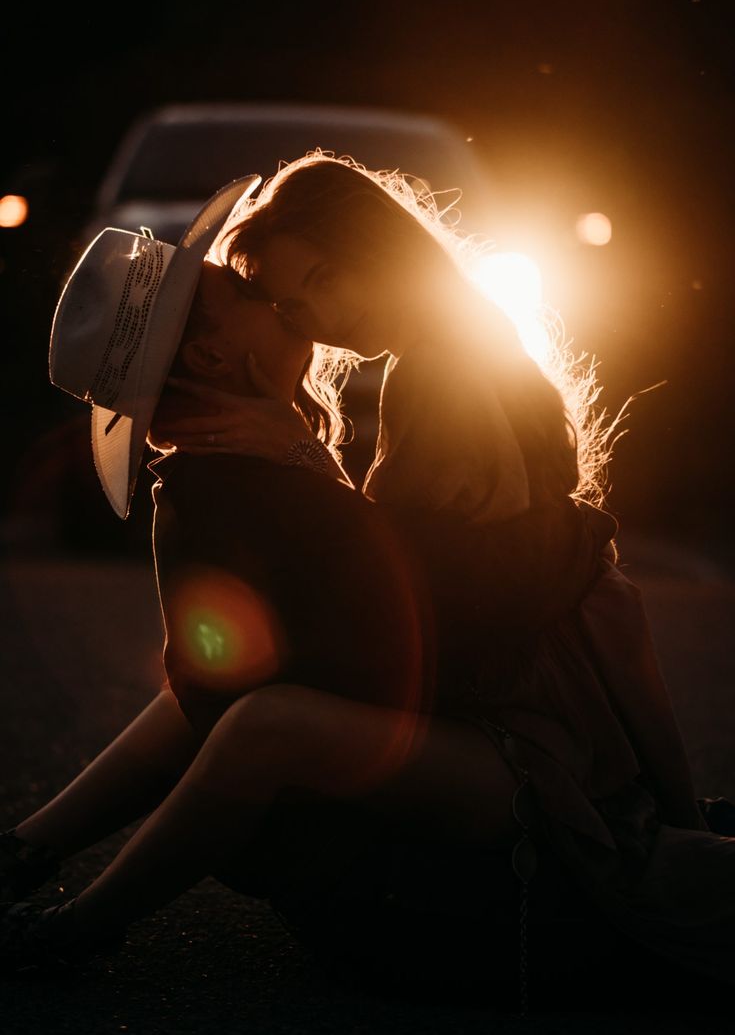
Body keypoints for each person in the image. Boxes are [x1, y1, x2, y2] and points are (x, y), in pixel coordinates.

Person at [0, 175, 526, 999]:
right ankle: (66, 914)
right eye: (249, 293)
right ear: (212, 355)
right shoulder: (252, 489)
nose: (289, 308)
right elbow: (413, 635)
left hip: (391, 819)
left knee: (230, 691)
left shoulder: (226, 474)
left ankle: (26, 856)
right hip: (427, 851)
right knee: (250, 707)